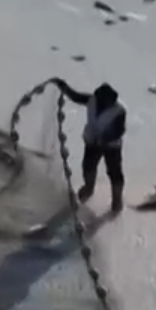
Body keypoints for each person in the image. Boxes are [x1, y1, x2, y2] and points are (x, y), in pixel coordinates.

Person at [55, 80, 126, 212]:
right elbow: (75, 96)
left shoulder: (119, 111)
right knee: (88, 166)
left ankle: (117, 200)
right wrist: (63, 86)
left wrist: (104, 139)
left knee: (115, 172)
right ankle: (89, 188)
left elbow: (119, 131)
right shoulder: (91, 100)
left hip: (112, 146)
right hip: (92, 141)